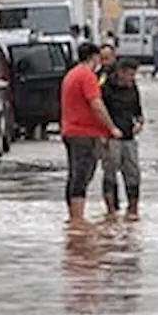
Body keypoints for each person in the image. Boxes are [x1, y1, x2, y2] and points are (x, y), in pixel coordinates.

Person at [60, 42, 124, 220]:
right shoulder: (87, 76)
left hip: (70, 132)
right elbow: (96, 104)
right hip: (84, 134)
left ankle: (73, 218)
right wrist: (111, 127)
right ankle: (77, 220)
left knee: (74, 174)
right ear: (94, 57)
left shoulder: (71, 75)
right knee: (82, 176)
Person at [101, 59, 144, 218]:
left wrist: (139, 123)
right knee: (110, 172)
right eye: (130, 74)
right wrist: (103, 134)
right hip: (111, 137)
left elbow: (138, 112)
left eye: (134, 74)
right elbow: (98, 112)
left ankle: (133, 208)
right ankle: (111, 210)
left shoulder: (133, 88)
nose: (132, 78)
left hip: (129, 136)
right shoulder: (106, 89)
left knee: (133, 172)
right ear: (120, 72)